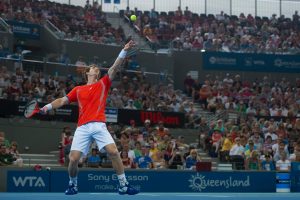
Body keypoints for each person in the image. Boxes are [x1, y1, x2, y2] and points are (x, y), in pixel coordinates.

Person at [40, 40, 139, 195]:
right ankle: (73, 184)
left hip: (99, 125)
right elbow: (62, 100)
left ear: (97, 74)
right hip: (83, 127)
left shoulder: (103, 84)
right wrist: (48, 106)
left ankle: (123, 185)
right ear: (88, 72)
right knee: (73, 159)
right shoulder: (78, 90)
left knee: (113, 152)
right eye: (92, 67)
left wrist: (124, 50)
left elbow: (114, 68)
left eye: (96, 68)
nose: (95, 68)